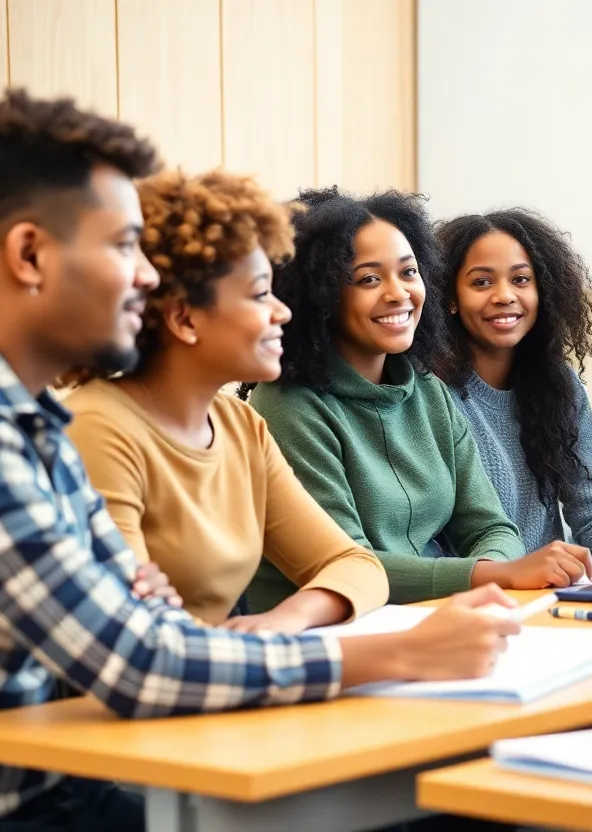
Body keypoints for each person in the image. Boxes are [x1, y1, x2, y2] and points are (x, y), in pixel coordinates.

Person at [0, 89, 521, 831]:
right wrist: (402, 655)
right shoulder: (55, 432)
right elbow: (145, 661)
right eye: (123, 248)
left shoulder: (40, 426)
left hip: (77, 786)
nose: (146, 276)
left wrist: (171, 625)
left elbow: (152, 623)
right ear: (29, 254)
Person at [62, 169, 390, 630]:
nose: (282, 311)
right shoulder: (97, 430)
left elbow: (358, 566)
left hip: (226, 678)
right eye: (259, 295)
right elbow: (134, 632)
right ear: (184, 319)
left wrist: (281, 622)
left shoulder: (240, 424)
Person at [241, 189, 592, 607]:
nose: (399, 293)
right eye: (369, 279)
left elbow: (491, 528)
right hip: (333, 637)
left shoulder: (429, 393)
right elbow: (345, 564)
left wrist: (490, 582)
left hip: (433, 616)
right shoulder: (288, 407)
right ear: (320, 293)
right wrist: (491, 574)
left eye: (408, 272)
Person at [433, 208, 592, 561]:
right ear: (450, 297)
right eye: (481, 282)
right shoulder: (430, 391)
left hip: (546, 591)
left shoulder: (558, 386)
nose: (504, 295)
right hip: (466, 595)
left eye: (520, 280)